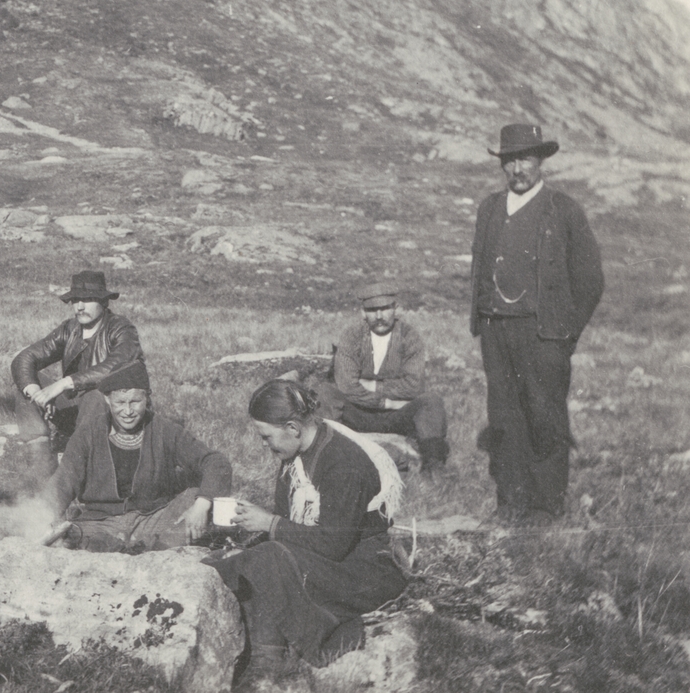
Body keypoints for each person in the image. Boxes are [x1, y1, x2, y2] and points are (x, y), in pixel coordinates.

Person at [204, 378, 406, 683]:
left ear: (293, 428)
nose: (264, 445)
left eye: (266, 437)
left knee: (266, 560)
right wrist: (257, 533)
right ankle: (264, 649)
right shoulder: (294, 455)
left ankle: (266, 661)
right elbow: (289, 522)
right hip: (334, 559)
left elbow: (334, 544)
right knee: (255, 557)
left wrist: (269, 524)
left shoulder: (343, 463)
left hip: (366, 569)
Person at [471, 123, 603, 523]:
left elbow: (590, 280)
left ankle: (545, 506)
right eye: (510, 161)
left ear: (541, 161)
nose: (517, 169)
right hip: (496, 331)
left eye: (525, 159)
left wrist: (565, 334)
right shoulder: (489, 208)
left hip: (543, 335)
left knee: (545, 417)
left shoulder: (564, 210)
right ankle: (511, 501)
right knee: (504, 417)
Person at [46, 361, 231, 552]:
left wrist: (202, 504)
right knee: (70, 534)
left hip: (153, 518)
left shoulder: (165, 430)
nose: (128, 411)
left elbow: (216, 462)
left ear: (146, 398)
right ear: (107, 400)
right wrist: (43, 518)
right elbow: (63, 481)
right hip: (101, 523)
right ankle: (140, 548)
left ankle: (153, 547)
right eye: (120, 403)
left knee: (200, 498)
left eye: (135, 402)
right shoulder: (88, 433)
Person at [316, 282, 448, 471]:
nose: (379, 316)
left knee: (431, 401)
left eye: (385, 308)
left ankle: (433, 466)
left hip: (397, 416)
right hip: (359, 412)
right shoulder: (351, 336)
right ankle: (327, 457)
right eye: (372, 310)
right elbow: (347, 386)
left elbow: (414, 385)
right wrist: (386, 402)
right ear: (363, 313)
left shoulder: (410, 337)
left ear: (396, 309)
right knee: (325, 392)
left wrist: (373, 386)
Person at [11, 271, 144, 455]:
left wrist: (64, 383)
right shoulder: (70, 329)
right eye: (75, 300)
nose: (80, 307)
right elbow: (24, 358)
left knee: (95, 395)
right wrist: (38, 395)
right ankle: (39, 461)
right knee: (26, 383)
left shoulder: (121, 328)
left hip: (115, 414)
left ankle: (84, 458)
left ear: (104, 301)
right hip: (75, 411)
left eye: (87, 299)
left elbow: (119, 364)